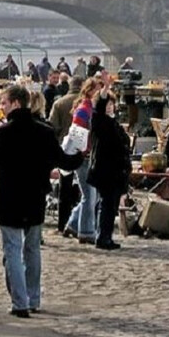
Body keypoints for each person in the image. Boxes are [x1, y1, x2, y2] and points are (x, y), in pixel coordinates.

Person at [0, 85, 83, 318]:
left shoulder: (2, 133)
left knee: (13, 250)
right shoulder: (44, 132)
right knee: (32, 249)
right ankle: (32, 298)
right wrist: (81, 153)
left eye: (3, 103)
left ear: (15, 103)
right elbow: (64, 161)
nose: (1, 107)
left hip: (9, 199)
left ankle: (20, 301)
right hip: (34, 198)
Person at [86, 81, 130, 250]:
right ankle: (103, 237)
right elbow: (98, 109)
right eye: (108, 104)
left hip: (115, 171)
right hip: (106, 171)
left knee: (107, 205)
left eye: (112, 104)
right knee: (107, 205)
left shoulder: (113, 123)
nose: (110, 107)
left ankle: (105, 235)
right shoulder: (100, 121)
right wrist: (104, 92)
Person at [64, 78, 104, 243]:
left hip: (89, 156)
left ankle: (73, 224)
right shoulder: (84, 110)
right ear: (90, 91)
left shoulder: (90, 109)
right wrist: (82, 152)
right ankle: (86, 232)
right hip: (83, 157)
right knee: (89, 195)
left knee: (91, 196)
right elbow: (77, 135)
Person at [49, 76, 84, 232]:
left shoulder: (59, 103)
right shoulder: (86, 103)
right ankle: (79, 221)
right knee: (84, 189)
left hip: (64, 149)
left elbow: (53, 127)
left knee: (65, 188)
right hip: (82, 149)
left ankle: (63, 222)